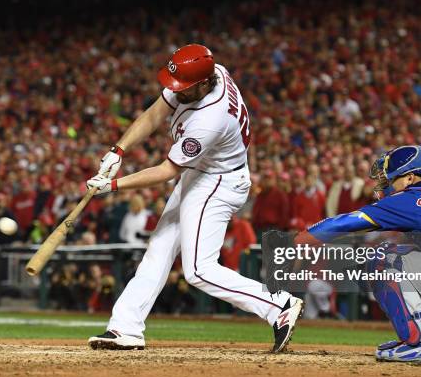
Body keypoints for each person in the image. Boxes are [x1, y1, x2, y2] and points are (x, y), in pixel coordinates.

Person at [86, 44, 303, 352]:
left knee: (199, 270)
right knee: (159, 248)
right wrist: (117, 150)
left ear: (203, 84)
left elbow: (167, 170)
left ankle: (277, 305)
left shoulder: (210, 119)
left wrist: (114, 185)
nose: (176, 91)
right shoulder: (208, 74)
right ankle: (126, 328)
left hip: (218, 182)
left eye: (184, 87)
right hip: (203, 172)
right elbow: (152, 115)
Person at [264, 145, 421, 363]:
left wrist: (297, 240)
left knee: (384, 257)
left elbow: (345, 222)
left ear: (409, 178)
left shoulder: (412, 198)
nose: (385, 185)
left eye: (390, 179)